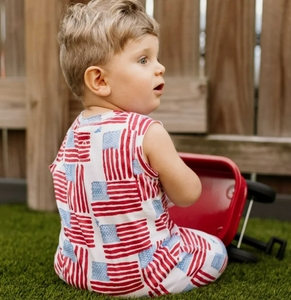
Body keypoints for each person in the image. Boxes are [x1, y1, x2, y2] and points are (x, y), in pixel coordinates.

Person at [50, 0, 228, 297]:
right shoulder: (147, 132)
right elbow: (188, 195)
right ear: (99, 80)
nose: (160, 68)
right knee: (215, 249)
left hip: (76, 269)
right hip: (143, 275)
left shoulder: (73, 132)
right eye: (144, 60)